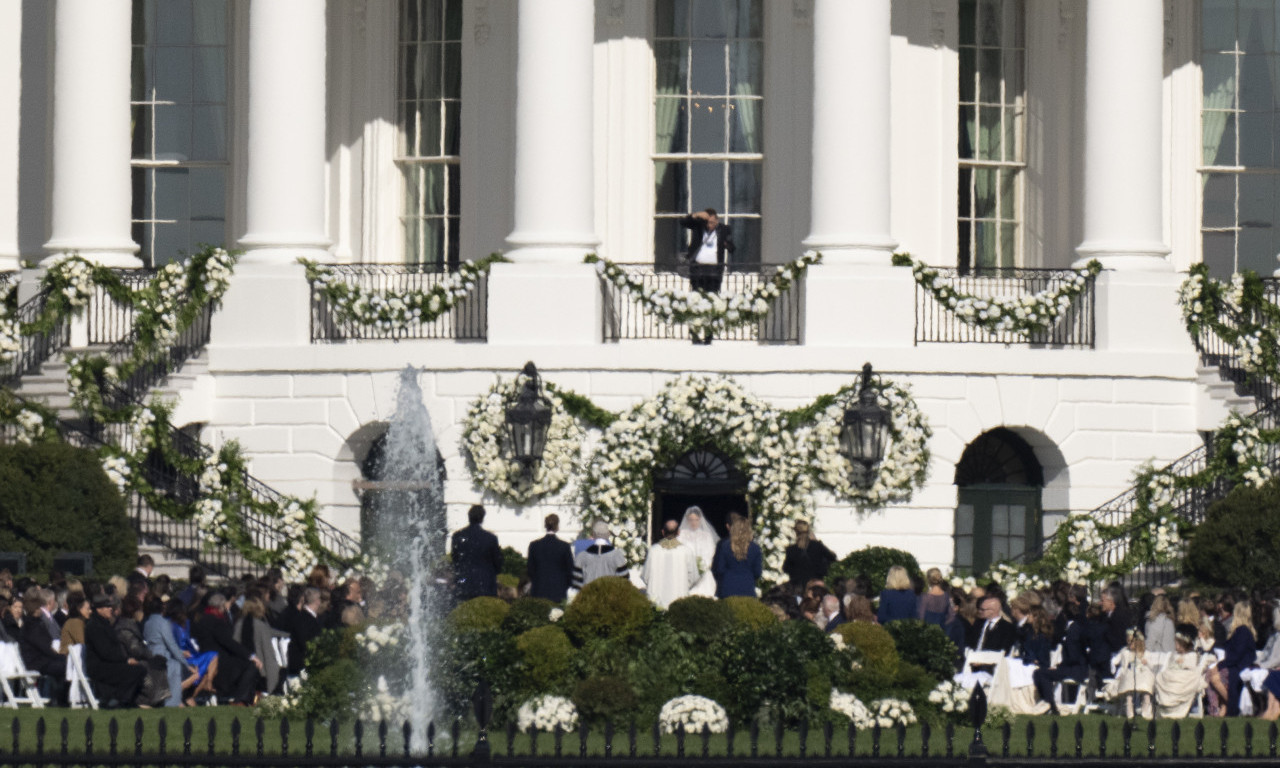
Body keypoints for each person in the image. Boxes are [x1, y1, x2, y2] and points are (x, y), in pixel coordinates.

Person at [192, 593, 261, 706]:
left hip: (207, 658)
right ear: (221, 606)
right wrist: (250, 655)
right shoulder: (216, 622)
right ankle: (240, 699)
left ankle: (243, 697)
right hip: (220, 662)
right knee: (251, 666)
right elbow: (229, 642)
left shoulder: (202, 619)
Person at [82, 593, 148, 708]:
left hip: (109, 663)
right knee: (137, 671)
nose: (110, 609)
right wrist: (126, 660)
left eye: (111, 606)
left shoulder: (104, 623)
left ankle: (123, 700)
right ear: (99, 609)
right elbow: (105, 652)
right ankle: (118, 699)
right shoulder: (94, 626)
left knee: (140, 669)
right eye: (107, 607)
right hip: (100, 666)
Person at [680, 208, 735, 343]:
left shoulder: (724, 230)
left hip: (714, 271)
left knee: (712, 302)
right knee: (696, 301)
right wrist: (696, 215)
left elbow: (732, 248)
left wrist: (726, 244)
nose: (709, 226)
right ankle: (694, 333)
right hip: (697, 270)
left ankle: (709, 334)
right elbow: (683, 222)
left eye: (712, 223)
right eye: (707, 223)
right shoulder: (698, 227)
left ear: (717, 220)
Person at [114, 596, 169, 707]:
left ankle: (158, 696)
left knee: (160, 661)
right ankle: (145, 699)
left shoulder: (131, 625)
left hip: (135, 657)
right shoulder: (125, 629)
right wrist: (150, 654)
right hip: (127, 661)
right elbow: (135, 649)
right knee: (153, 665)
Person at [143, 597, 197, 707]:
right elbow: (171, 645)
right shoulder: (163, 623)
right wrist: (185, 664)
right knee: (192, 672)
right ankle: (175, 700)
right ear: (162, 608)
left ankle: (181, 700)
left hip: (150, 655)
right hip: (164, 659)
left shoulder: (147, 623)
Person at [233, 596, 290, 696]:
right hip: (260, 671)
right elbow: (268, 654)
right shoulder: (261, 626)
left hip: (239, 668)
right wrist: (273, 682)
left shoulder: (238, 624)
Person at [1208, 600, 1256, 717]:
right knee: (1209, 673)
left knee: (1213, 677)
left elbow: (1236, 655)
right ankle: (1223, 708)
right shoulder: (1238, 631)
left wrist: (1219, 666)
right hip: (1233, 664)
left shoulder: (1243, 631)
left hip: (1238, 666)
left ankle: (1229, 707)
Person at [17, 592, 66, 705]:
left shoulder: (34, 624)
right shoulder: (32, 627)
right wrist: (58, 656)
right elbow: (44, 647)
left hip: (41, 660)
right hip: (36, 662)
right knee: (63, 666)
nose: (41, 610)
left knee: (63, 665)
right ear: (35, 610)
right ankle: (58, 698)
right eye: (39, 608)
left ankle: (59, 698)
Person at [641, 520, 701, 609]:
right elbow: (693, 577)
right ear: (678, 532)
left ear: (663, 532)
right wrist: (683, 586)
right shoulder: (686, 551)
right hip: (679, 599)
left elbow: (645, 577)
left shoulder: (653, 551)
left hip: (657, 601)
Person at [450, 504, 503, 600]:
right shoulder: (490, 538)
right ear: (482, 518)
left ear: (469, 517)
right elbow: (497, 563)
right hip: (485, 583)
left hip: (464, 583)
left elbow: (455, 559)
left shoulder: (457, 536)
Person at [1102, 629, 1157, 718]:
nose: (1129, 644)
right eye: (1128, 641)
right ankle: (1129, 709)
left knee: (1146, 685)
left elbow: (1152, 666)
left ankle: (1146, 710)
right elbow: (1116, 661)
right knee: (1128, 685)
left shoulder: (1145, 653)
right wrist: (1116, 670)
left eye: (1132, 642)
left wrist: (1146, 663)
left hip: (1143, 673)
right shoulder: (1125, 651)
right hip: (1130, 673)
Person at [1156, 632, 1209, 719]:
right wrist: (1176, 664)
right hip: (1174, 675)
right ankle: (1168, 706)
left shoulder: (1191, 655)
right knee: (1163, 676)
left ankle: (1177, 707)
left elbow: (1191, 668)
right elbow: (1170, 666)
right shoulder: (1174, 655)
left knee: (1178, 679)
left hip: (1186, 677)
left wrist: (1182, 663)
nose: (1175, 645)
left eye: (1177, 643)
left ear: (1182, 644)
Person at [711, 514, 762, 598]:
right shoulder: (755, 548)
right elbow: (757, 572)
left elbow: (720, 569)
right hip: (747, 587)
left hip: (727, 588)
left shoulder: (725, 546)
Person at [527, 514, 574, 603]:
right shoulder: (564, 546)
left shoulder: (534, 546)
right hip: (559, 590)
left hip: (539, 589)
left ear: (545, 525)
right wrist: (566, 585)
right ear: (557, 526)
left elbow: (530, 570)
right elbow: (570, 570)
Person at [781, 520, 837, 589]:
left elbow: (786, 568)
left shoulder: (792, 549)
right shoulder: (817, 545)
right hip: (813, 584)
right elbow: (832, 557)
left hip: (802, 586)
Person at [572, 522, 630, 589]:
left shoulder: (581, 556)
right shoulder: (617, 556)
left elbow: (576, 584)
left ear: (593, 534)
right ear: (608, 534)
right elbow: (624, 581)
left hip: (589, 594)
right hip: (610, 594)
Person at [677, 507, 719, 597]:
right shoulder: (681, 535)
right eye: (691, 520)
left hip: (703, 571)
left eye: (696, 520)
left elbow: (711, 553)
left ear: (700, 519)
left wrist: (702, 567)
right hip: (686, 571)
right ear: (687, 520)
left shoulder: (706, 536)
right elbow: (679, 551)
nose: (694, 522)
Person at [286, 587, 324, 677]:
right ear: (317, 601)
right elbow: (305, 642)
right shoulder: (304, 619)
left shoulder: (305, 617)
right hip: (303, 665)